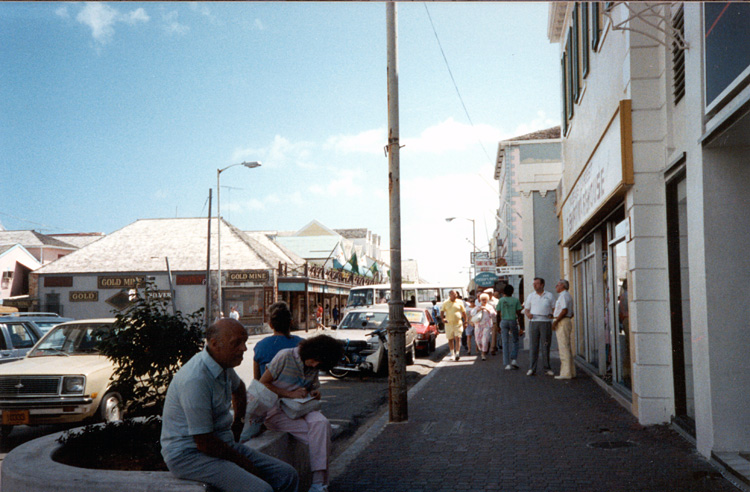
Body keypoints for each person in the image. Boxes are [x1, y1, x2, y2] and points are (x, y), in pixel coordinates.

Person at [160, 319, 298, 492]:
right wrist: (246, 464)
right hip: (189, 456)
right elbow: (204, 443)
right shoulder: (196, 379)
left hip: (220, 444)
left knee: (287, 475)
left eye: (245, 342)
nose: (244, 349)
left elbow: (239, 387)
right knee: (261, 489)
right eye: (236, 343)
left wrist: (238, 423)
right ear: (215, 344)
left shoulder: (222, 365)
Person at [260, 335, 343, 492]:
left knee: (322, 424)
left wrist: (315, 393)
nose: (316, 364)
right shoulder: (285, 356)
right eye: (316, 360)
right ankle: (320, 483)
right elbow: (263, 383)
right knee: (320, 435)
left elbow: (312, 387)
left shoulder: (314, 367)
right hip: (276, 410)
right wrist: (289, 394)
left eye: (320, 364)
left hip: (301, 408)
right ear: (310, 351)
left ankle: (318, 483)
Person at [253, 301, 304, 380]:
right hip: (297, 391)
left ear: (271, 325)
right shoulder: (302, 344)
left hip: (268, 391)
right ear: (291, 322)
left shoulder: (261, 346)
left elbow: (257, 380)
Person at [524, 277, 556, 376]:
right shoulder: (531, 296)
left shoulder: (549, 295)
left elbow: (555, 308)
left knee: (545, 345)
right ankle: (532, 368)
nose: (534, 285)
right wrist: (528, 314)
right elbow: (526, 309)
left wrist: (552, 315)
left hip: (545, 322)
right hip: (534, 322)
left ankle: (547, 368)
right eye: (534, 284)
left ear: (542, 285)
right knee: (533, 346)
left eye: (537, 284)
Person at [552, 279, 576, 380]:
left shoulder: (563, 296)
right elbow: (571, 312)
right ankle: (570, 371)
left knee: (563, 347)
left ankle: (566, 373)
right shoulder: (567, 295)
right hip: (566, 320)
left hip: (562, 321)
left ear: (562, 286)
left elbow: (564, 310)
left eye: (558, 285)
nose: (556, 286)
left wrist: (556, 321)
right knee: (566, 346)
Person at [496, 284, 523, 370]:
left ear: (504, 292)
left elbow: (497, 314)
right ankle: (514, 359)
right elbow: (519, 314)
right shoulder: (516, 300)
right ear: (512, 292)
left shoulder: (501, 300)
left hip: (503, 321)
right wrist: (521, 327)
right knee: (515, 340)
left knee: (505, 342)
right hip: (513, 321)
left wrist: (497, 326)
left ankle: (507, 363)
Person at [441, 290, 467, 361]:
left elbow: (464, 312)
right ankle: (452, 354)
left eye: (456, 294)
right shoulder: (445, 303)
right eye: (453, 294)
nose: (455, 296)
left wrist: (466, 321)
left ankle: (457, 353)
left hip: (458, 323)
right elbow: (442, 312)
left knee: (458, 337)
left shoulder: (460, 302)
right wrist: (443, 319)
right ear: (450, 295)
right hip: (449, 324)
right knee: (450, 339)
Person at [472, 293, 496, 361]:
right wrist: (479, 310)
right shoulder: (477, 306)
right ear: (480, 300)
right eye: (482, 299)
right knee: (478, 340)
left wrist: (487, 309)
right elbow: (472, 313)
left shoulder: (490, 306)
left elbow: (494, 314)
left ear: (487, 300)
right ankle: (482, 349)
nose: (484, 301)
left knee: (485, 339)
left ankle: (483, 354)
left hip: (487, 325)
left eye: (485, 299)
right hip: (478, 325)